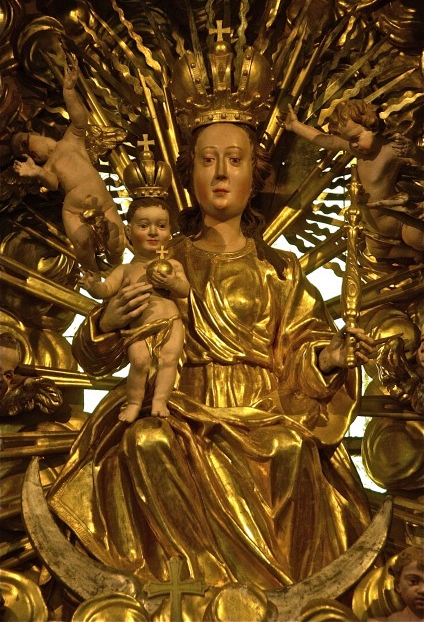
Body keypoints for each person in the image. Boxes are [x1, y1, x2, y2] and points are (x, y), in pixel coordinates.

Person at [48, 121, 375, 594]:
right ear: (191, 174)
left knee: (289, 446)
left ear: (254, 176)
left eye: (235, 160)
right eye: (208, 160)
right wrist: (108, 321)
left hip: (262, 411)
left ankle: (277, 594)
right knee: (144, 441)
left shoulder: (279, 269)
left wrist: (330, 356)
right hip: (179, 405)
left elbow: (300, 351)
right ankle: (184, 582)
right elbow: (94, 358)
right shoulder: (161, 260)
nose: (221, 173)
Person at [11, 55, 126, 277]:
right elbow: (53, 184)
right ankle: (94, 278)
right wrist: (36, 172)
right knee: (82, 246)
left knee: (117, 242)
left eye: (25, 143)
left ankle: (119, 272)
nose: (27, 152)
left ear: (34, 131)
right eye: (22, 154)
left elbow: (80, 119)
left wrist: (69, 92)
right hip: (73, 211)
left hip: (102, 202)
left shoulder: (71, 140)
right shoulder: (49, 166)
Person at [80, 197, 190, 420]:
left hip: (170, 322)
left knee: (169, 360)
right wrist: (94, 286)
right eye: (144, 225)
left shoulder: (173, 265)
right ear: (129, 232)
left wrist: (171, 283)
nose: (153, 232)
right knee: (139, 362)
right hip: (138, 329)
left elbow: (185, 289)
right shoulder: (126, 270)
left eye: (161, 226)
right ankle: (134, 403)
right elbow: (107, 289)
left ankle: (160, 401)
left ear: (170, 232)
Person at [284, 100, 424, 261]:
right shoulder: (358, 151)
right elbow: (328, 140)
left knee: (416, 238)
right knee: (377, 252)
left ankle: (417, 251)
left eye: (356, 138)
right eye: (350, 141)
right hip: (372, 227)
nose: (354, 145)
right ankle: (414, 255)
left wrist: (414, 152)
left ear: (372, 127)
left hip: (397, 223)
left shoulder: (391, 151)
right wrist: (295, 125)